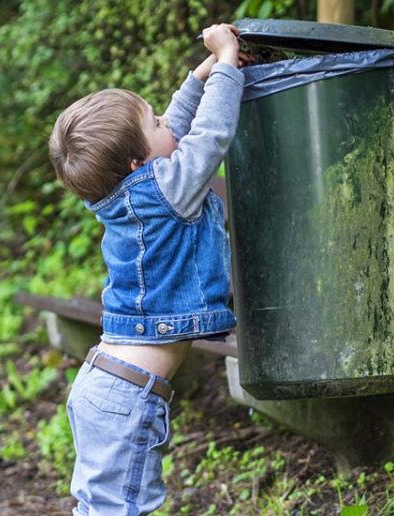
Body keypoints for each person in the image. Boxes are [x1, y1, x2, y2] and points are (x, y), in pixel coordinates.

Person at [48, 23, 248, 515]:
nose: (167, 124)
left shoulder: (126, 193)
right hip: (126, 396)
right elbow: (210, 135)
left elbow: (176, 127)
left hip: (106, 384)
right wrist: (224, 63)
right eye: (155, 122)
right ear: (140, 160)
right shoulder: (167, 190)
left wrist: (201, 73)